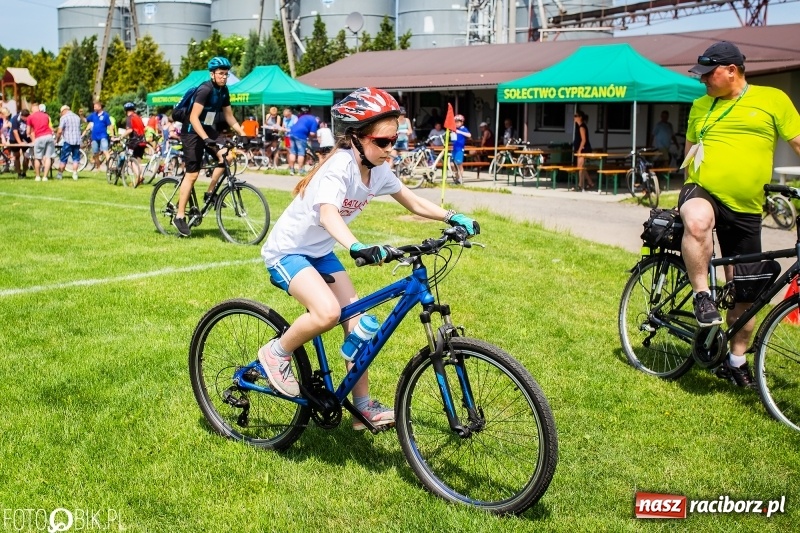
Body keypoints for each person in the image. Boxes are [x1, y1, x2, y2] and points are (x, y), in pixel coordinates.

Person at [258, 87, 480, 430]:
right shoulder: (338, 168)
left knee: (360, 327)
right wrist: (356, 246)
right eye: (383, 141)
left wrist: (451, 216)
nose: (391, 149)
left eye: (395, 140)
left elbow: (411, 200)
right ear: (357, 138)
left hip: (319, 253)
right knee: (328, 312)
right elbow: (329, 215)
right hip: (288, 252)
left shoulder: (377, 169)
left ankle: (363, 408)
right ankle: (276, 353)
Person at [680, 41, 800, 387]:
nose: (702, 81)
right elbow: (689, 153)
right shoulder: (700, 105)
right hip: (702, 191)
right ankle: (702, 295)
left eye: (708, 74)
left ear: (732, 70)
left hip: (747, 208)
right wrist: (684, 192)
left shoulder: (772, 100)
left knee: (748, 293)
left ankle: (735, 361)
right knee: (699, 220)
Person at [172, 57, 247, 237]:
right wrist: (205, 139)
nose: (224, 77)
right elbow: (193, 117)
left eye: (226, 74)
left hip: (206, 130)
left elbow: (229, 116)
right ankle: (180, 216)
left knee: (228, 157)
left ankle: (210, 192)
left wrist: (243, 133)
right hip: (191, 131)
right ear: (212, 74)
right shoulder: (205, 90)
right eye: (221, 74)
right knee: (192, 174)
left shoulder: (224, 91)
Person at [120, 102, 146, 187]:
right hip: (142, 141)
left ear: (125, 110)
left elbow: (130, 130)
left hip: (134, 141)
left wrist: (121, 137)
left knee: (129, 162)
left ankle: (140, 177)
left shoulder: (129, 118)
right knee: (138, 162)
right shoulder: (138, 117)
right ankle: (138, 179)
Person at [27, 103, 55, 181]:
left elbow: (28, 131)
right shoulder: (46, 116)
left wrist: (31, 136)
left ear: (32, 109)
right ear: (39, 108)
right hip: (49, 136)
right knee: (48, 157)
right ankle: (45, 177)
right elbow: (50, 127)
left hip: (39, 137)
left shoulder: (30, 117)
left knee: (37, 157)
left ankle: (38, 176)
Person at [287, 105, 317, 175]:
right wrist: (311, 137)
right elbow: (312, 133)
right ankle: (300, 171)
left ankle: (292, 170)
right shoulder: (313, 119)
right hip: (301, 136)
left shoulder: (301, 117)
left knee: (293, 152)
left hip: (292, 133)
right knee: (301, 153)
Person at [55, 105, 83, 180]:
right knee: (76, 159)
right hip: (77, 141)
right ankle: (75, 174)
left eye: (61, 112)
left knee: (63, 158)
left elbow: (60, 131)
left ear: (63, 111)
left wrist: (57, 140)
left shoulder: (64, 117)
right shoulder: (77, 117)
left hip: (68, 141)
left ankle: (59, 174)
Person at [84, 101, 112, 171]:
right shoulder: (93, 115)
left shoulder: (105, 115)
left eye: (95, 106)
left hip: (103, 136)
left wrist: (112, 135)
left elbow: (109, 125)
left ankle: (110, 167)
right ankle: (98, 167)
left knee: (105, 151)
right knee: (95, 153)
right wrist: (81, 116)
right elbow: (85, 120)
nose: (94, 108)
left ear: (99, 107)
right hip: (94, 137)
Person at [572, 111, 595, 191]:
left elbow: (584, 140)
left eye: (576, 116)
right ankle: (590, 182)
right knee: (581, 167)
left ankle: (580, 185)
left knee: (580, 168)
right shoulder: (578, 127)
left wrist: (579, 150)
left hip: (583, 149)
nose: (574, 117)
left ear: (580, 117)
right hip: (580, 148)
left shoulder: (582, 127)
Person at [451, 114, 472, 185]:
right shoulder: (454, 129)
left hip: (460, 149)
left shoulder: (463, 128)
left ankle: (460, 179)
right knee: (452, 164)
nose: (456, 123)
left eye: (458, 122)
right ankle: (456, 178)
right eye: (455, 122)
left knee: (459, 164)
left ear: (462, 122)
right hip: (454, 148)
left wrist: (460, 132)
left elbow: (469, 135)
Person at [10, 109, 30, 178]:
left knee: (26, 156)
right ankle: (19, 173)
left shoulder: (29, 118)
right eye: (24, 118)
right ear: (21, 116)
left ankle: (24, 173)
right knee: (17, 156)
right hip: (14, 139)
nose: (25, 119)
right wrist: (20, 143)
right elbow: (15, 132)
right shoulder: (15, 119)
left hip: (26, 139)